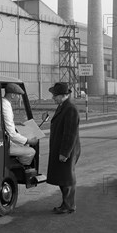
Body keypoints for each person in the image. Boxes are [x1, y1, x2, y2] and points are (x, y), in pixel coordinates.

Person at [47, 82, 81, 214]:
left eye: (55, 95)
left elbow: (70, 134)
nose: (53, 98)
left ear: (63, 95)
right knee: (63, 177)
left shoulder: (70, 109)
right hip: (61, 148)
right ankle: (66, 204)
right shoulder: (63, 106)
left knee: (67, 178)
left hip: (67, 150)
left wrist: (65, 153)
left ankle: (69, 205)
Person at [1, 83, 37, 165]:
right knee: (31, 151)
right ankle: (20, 169)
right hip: (5, 143)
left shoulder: (2, 102)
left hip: (3, 140)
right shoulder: (5, 105)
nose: (19, 98)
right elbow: (12, 134)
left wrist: (15, 123)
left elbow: (2, 121)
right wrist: (28, 140)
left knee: (21, 145)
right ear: (13, 95)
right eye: (18, 95)